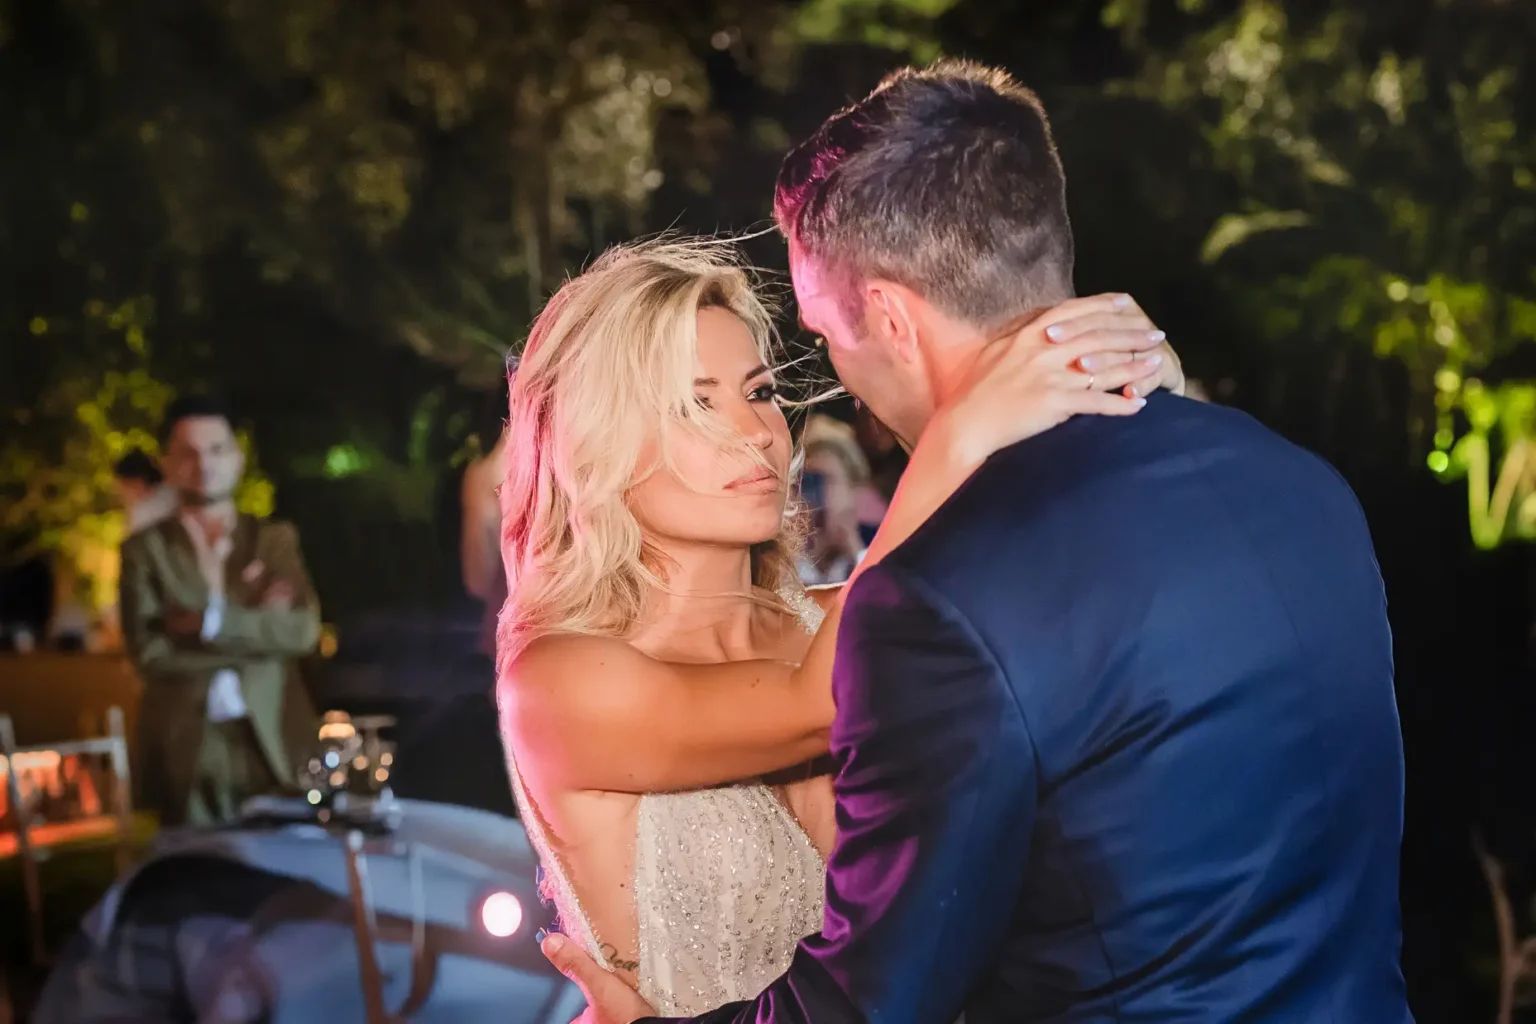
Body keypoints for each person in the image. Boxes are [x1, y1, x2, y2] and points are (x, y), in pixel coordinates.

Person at [540, 61, 1411, 1023]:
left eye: (819, 342)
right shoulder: (1299, 487)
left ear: (887, 318)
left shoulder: (931, 605)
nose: (773, 419)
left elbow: (875, 999)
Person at [495, 235, 1182, 1015]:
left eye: (757, 392)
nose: (755, 431)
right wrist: (960, 432)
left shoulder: (840, 619)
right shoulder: (559, 681)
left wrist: (1140, 399)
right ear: (598, 445)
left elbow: (1059, 600)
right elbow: (817, 701)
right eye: (695, 403)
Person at [119, 395, 320, 826]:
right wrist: (260, 634)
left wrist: (208, 625)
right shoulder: (144, 551)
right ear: (167, 462)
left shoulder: (272, 540)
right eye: (188, 453)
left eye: (216, 449)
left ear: (237, 457)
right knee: (196, 878)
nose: (204, 464)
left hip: (273, 738)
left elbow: (302, 630)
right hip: (187, 746)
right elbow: (148, 653)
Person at [796, 416, 870, 586]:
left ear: (852, 489)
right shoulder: (784, 561)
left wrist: (853, 550)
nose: (814, 492)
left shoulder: (878, 544)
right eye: (807, 480)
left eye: (826, 480)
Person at [113, 448, 177, 535]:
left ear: (137, 483)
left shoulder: (145, 512)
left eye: (124, 486)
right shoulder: (172, 493)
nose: (121, 492)